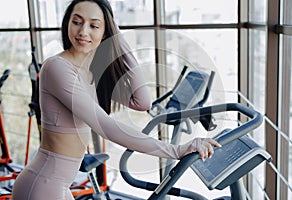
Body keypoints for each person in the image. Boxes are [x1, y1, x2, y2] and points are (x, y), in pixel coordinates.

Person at [12, 0, 221, 199]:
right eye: (77, 22)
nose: (83, 31)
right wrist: (175, 150)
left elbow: (142, 102)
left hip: (58, 184)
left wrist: (118, 39)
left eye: (94, 26)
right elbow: (106, 127)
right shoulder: (57, 67)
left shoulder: (91, 73)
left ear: (105, 31)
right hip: (42, 184)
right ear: (67, 23)